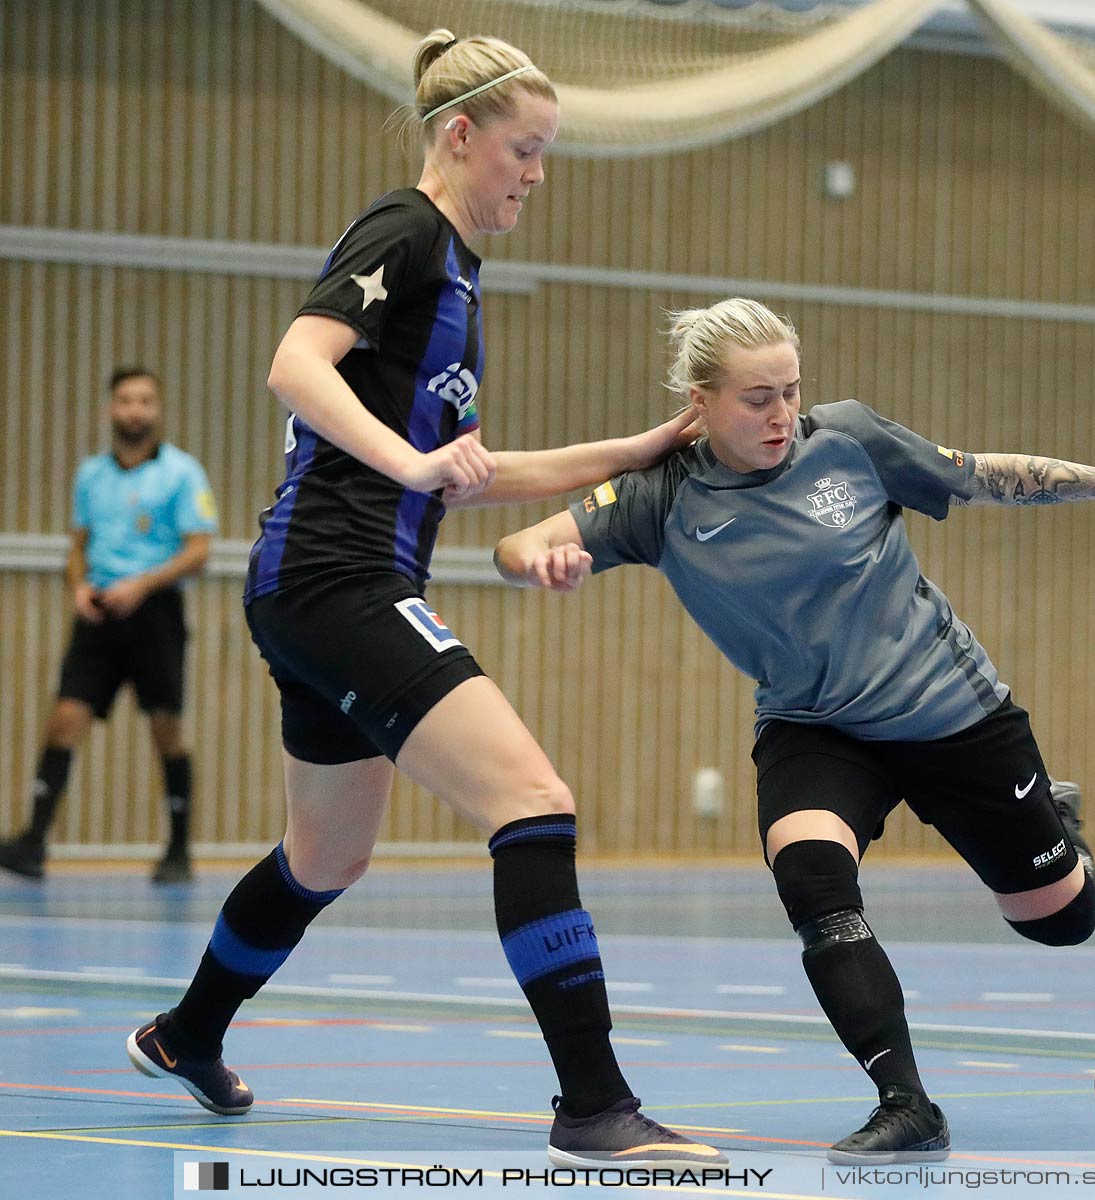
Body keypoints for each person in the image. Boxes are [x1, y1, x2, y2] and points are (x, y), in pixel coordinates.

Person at [122, 30, 726, 1169]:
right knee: (532, 801)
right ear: (460, 135)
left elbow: (478, 469)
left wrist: (639, 450)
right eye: (523, 151)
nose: (535, 176)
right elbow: (295, 366)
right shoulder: (404, 231)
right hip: (334, 580)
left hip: (322, 590)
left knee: (325, 855)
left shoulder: (459, 276)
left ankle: (188, 1032)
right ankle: (594, 1105)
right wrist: (406, 465)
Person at [495, 297, 1095, 1162]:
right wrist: (543, 560)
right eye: (755, 397)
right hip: (814, 728)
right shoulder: (661, 496)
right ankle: (905, 1103)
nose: (779, 414)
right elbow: (516, 543)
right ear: (699, 402)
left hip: (951, 715)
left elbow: (980, 472)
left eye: (790, 391)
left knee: (1058, 921)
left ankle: (1058, 828)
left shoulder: (846, 440)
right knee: (810, 880)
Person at [0, 367, 217, 884]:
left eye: (145, 400)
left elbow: (200, 550)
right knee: (64, 719)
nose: (135, 410)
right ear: (111, 409)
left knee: (166, 727)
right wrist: (79, 586)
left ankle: (178, 849)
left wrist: (142, 585)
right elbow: (77, 547)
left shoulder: (183, 473)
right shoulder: (91, 474)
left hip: (155, 613)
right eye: (125, 400)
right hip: (98, 615)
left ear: (157, 410)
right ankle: (33, 840)